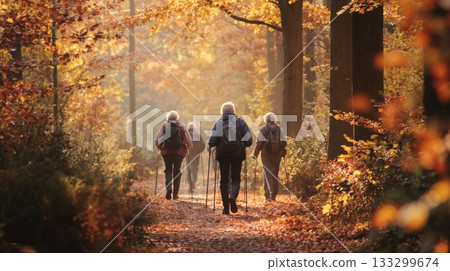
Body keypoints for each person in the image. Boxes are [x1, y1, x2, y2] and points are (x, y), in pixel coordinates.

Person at [208, 102, 252, 215]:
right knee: (236, 178)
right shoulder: (240, 122)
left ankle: (226, 208)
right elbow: (249, 141)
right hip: (237, 154)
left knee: (224, 180)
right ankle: (232, 196)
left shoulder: (219, 123)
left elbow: (212, 142)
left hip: (223, 155)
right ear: (233, 111)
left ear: (222, 111)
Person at [155, 111, 193, 200]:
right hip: (179, 152)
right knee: (177, 171)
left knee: (168, 170)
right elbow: (188, 140)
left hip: (166, 152)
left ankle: (169, 189)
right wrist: (189, 147)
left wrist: (160, 148)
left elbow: (157, 140)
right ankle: (175, 195)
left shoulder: (164, 125)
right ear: (177, 118)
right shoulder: (182, 126)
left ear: (168, 118)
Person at [253, 112, 287, 201]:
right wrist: (282, 151)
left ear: (266, 120)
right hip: (277, 155)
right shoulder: (279, 129)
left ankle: (267, 196)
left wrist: (255, 154)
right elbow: (284, 142)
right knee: (275, 174)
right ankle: (274, 196)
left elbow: (259, 143)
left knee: (267, 174)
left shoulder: (264, 129)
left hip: (266, 155)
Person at [186, 122, 205, 191]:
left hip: (188, 154)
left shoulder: (186, 134)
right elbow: (203, 145)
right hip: (196, 154)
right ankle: (193, 181)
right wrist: (199, 151)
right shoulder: (197, 134)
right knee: (195, 168)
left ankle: (190, 183)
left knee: (189, 169)